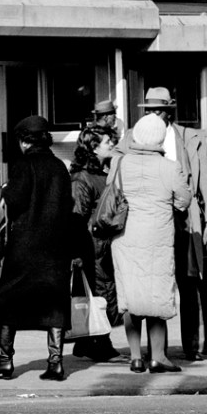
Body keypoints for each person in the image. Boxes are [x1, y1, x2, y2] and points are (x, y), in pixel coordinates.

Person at [0, 115, 76, 381]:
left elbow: (16, 200)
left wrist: (6, 190)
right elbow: (68, 205)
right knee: (56, 304)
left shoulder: (24, 165)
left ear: (24, 141)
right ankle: (55, 363)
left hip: (25, 246)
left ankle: (4, 360)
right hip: (55, 247)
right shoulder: (59, 167)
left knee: (8, 302)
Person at [137, 87, 207, 361]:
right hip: (152, 218)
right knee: (155, 285)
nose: (153, 115)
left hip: (186, 218)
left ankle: (194, 346)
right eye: (149, 110)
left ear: (169, 112)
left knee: (190, 281)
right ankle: (156, 352)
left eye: (158, 110)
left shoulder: (189, 138)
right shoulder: (135, 136)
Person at [110, 113, 192, 373]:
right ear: (160, 138)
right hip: (158, 237)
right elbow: (184, 200)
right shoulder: (170, 167)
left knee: (131, 297)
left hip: (125, 237)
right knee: (157, 297)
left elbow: (111, 194)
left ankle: (135, 358)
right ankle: (158, 357)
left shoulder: (119, 163)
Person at [68, 122, 121, 361]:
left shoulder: (100, 174)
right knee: (101, 293)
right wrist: (76, 251)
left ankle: (86, 342)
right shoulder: (82, 178)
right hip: (92, 245)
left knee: (97, 292)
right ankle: (100, 344)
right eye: (107, 141)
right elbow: (76, 217)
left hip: (101, 243)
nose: (112, 144)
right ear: (93, 147)